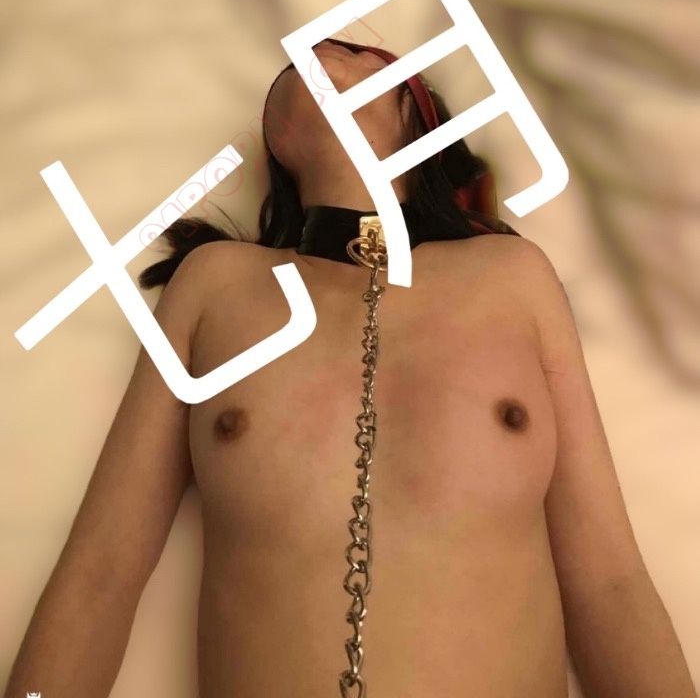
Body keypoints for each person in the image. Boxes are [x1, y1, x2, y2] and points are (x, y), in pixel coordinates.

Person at [3, 40, 696, 698]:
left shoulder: (514, 278)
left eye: (362, 53)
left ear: (418, 117)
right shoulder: (214, 286)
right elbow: (100, 573)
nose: (324, 48)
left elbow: (611, 581)